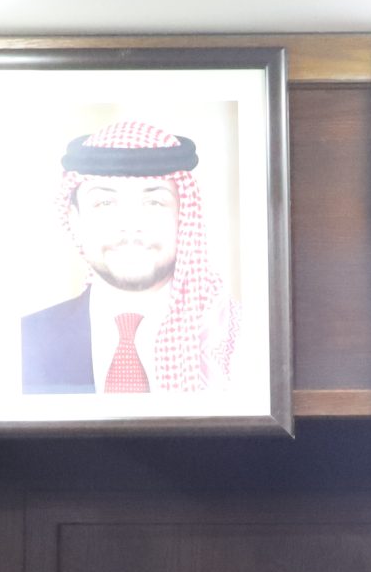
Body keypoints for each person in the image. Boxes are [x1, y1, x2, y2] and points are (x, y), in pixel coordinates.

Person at [20, 118, 238, 395]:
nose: (131, 225)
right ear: (75, 220)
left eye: (154, 202)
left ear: (184, 216)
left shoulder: (237, 339)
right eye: (105, 203)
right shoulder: (24, 342)